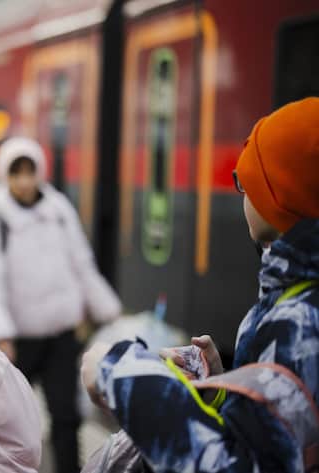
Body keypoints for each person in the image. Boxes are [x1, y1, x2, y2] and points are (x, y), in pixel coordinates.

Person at [81, 97, 319, 472]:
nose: (243, 197)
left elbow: (232, 465)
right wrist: (229, 386)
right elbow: (285, 431)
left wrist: (116, 370)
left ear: (275, 197)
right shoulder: (299, 297)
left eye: (246, 184)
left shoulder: (299, 318)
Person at [0, 136, 121, 473]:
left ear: (40, 172)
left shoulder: (59, 212)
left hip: (62, 337)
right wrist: (1, 334)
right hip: (18, 343)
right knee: (12, 419)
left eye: (29, 171)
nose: (24, 180)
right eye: (16, 172)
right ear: (4, 176)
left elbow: (82, 264)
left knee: (66, 416)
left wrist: (107, 309)